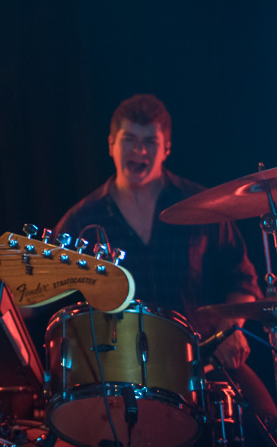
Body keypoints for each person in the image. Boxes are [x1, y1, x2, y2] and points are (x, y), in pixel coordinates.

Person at [55, 94, 277, 430]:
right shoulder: (81, 220)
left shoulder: (203, 207)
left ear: (167, 148)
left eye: (150, 142)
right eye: (129, 140)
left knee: (267, 423)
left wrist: (228, 332)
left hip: (201, 365)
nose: (139, 151)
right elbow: (43, 292)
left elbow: (241, 280)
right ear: (111, 144)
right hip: (119, 377)